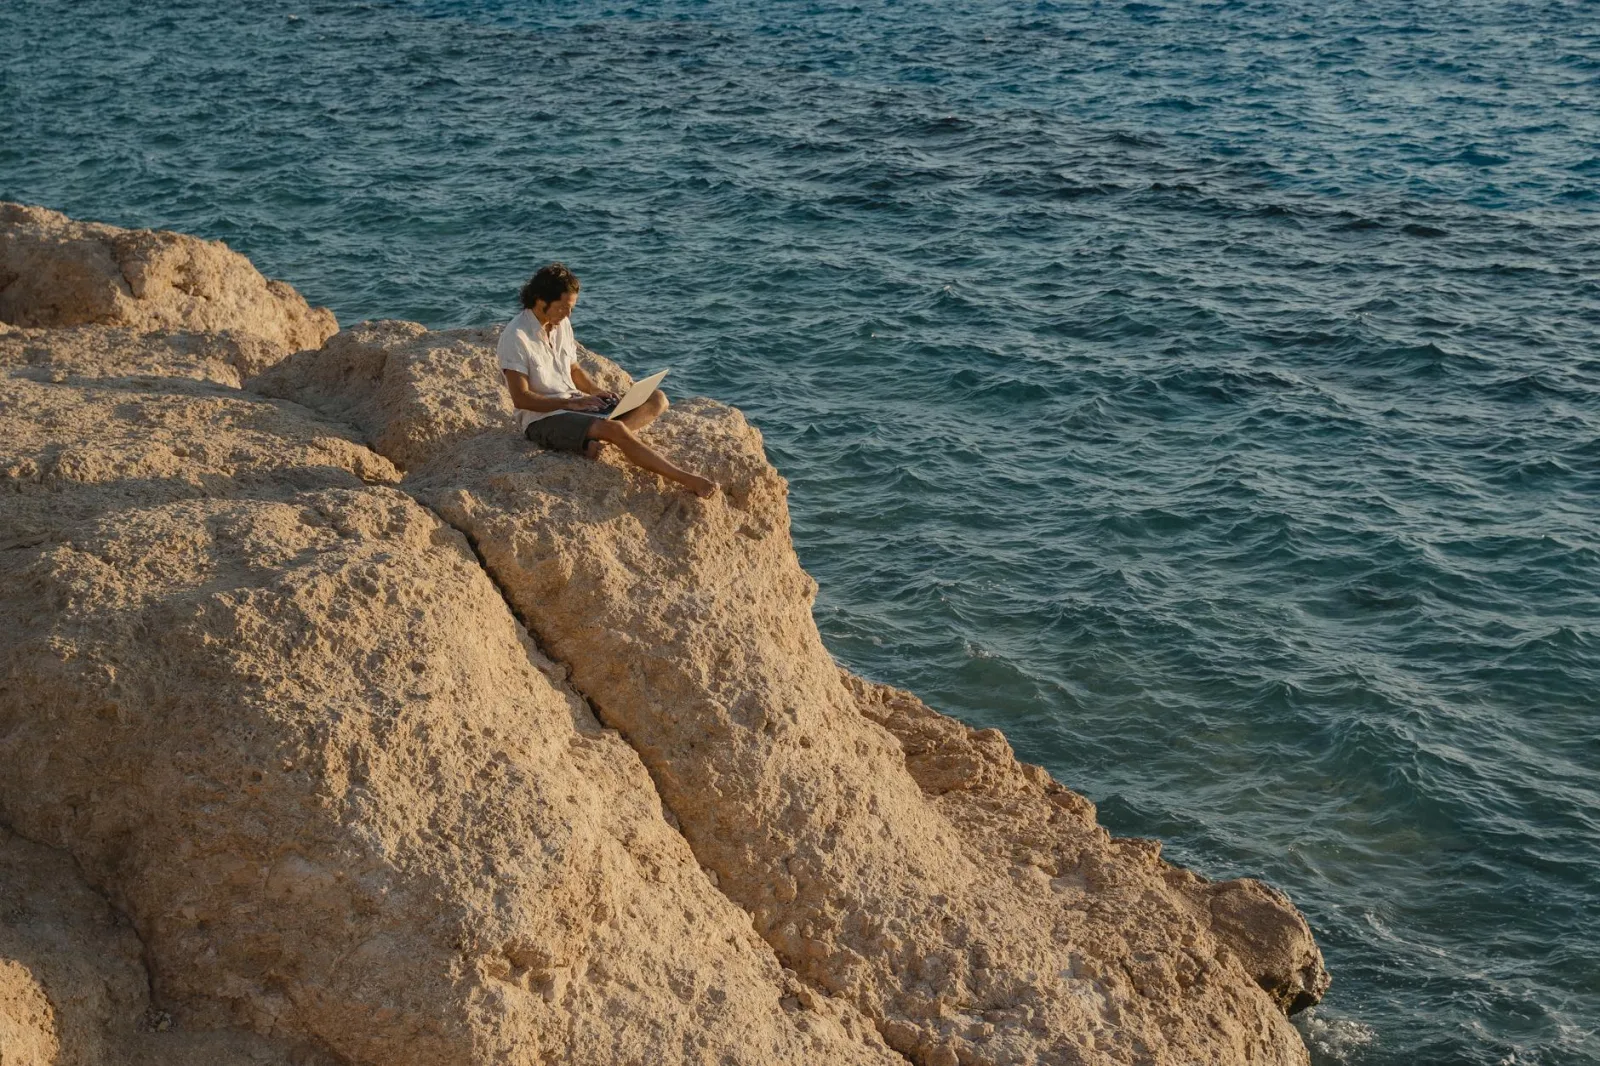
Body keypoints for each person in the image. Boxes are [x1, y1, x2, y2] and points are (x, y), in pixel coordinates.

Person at [498, 263, 716, 498]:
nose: (568, 314)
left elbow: (573, 369)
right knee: (616, 428)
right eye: (563, 307)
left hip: (576, 406)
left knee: (657, 399)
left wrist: (595, 391)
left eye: (571, 308)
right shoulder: (516, 336)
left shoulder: (561, 324)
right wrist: (568, 404)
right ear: (540, 300)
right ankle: (688, 480)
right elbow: (521, 399)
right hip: (543, 419)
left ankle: (596, 440)